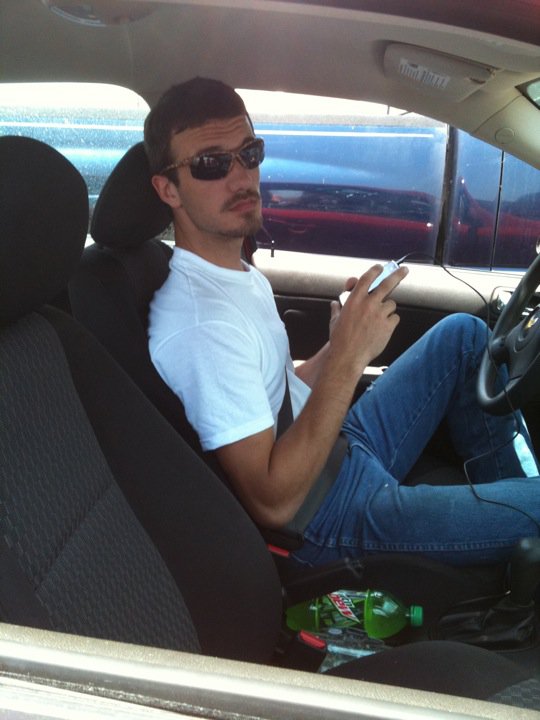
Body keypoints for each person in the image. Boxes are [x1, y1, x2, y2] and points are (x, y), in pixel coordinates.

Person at [146, 77, 540, 569]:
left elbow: (276, 394)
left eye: (249, 153)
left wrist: (337, 345)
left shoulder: (234, 274)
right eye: (211, 164)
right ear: (168, 188)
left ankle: (512, 528)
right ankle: (515, 524)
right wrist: (350, 358)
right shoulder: (201, 324)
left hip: (333, 452)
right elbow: (273, 503)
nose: (241, 176)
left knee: (463, 338)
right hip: (323, 521)